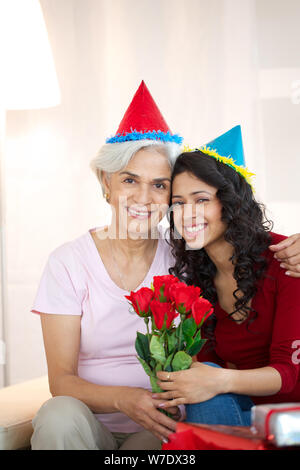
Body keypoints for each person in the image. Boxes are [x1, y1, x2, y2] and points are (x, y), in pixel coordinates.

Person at [30, 84, 300, 449]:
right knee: (58, 413)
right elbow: (60, 380)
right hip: (97, 419)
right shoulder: (73, 262)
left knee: (197, 407)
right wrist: (126, 398)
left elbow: (243, 246)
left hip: (179, 421)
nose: (144, 197)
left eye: (159, 185)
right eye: (129, 180)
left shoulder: (190, 256)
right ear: (106, 183)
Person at [152, 128, 300, 427]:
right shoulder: (195, 276)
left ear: (231, 204)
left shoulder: (286, 260)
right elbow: (210, 369)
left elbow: (288, 374)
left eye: (201, 199)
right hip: (240, 416)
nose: (186, 213)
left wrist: (217, 379)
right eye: (179, 203)